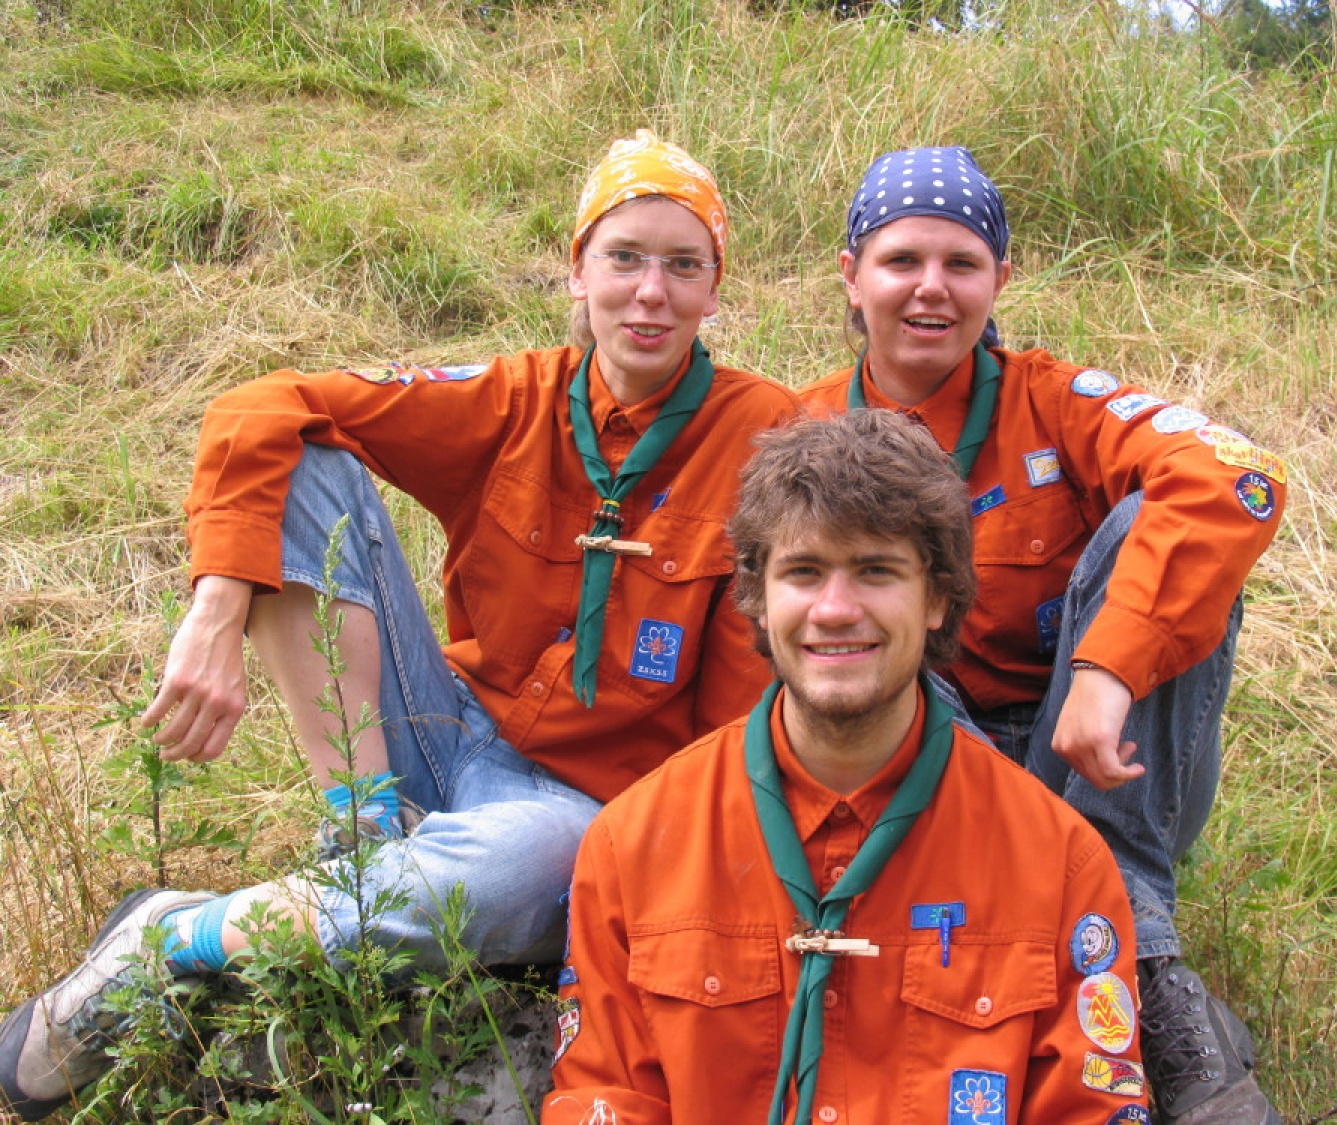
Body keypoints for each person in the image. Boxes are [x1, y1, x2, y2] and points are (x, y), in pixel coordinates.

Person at [0, 129, 798, 1122]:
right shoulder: (514, 399)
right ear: (577, 269)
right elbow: (262, 408)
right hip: (444, 728)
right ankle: (364, 832)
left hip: (587, 804)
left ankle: (170, 941)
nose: (651, 292)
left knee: (529, 865)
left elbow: (748, 705)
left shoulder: (768, 431)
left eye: (684, 266)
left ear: (716, 289)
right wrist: (214, 606)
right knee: (307, 459)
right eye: (624, 258)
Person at [797, 146, 1286, 1125]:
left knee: (1161, 523)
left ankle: (1138, 950)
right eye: (902, 262)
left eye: (962, 263)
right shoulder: (798, 428)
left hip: (1099, 760)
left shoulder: (1055, 402)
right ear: (852, 277)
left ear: (999, 281)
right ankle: (1132, 979)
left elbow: (1242, 479)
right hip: (928, 774)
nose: (931, 289)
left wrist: (1110, 668)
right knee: (852, 615)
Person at [543, 410, 1149, 1125]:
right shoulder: (631, 846)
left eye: (875, 570)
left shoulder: (1061, 863)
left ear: (938, 598)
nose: (835, 609)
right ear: (758, 600)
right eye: (802, 571)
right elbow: (604, 1100)